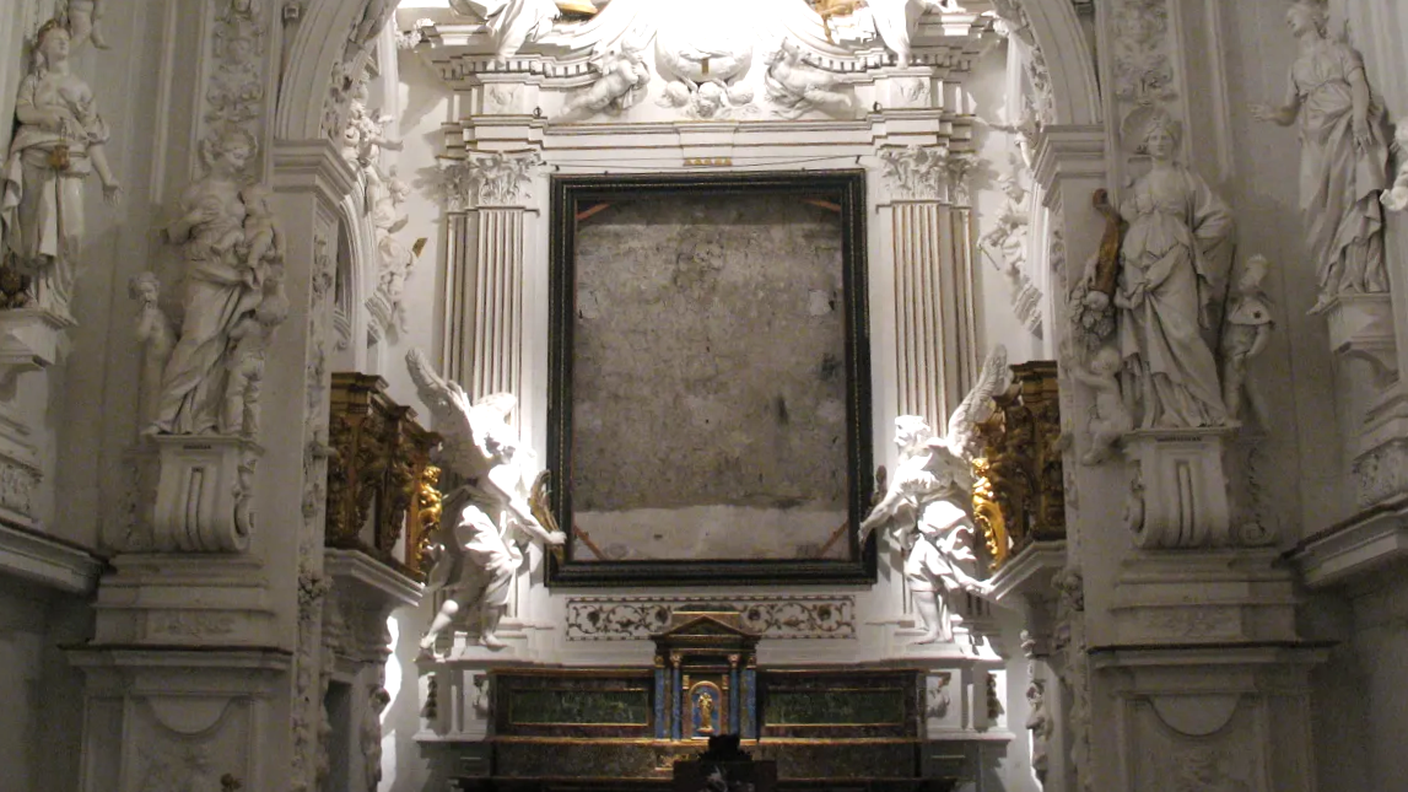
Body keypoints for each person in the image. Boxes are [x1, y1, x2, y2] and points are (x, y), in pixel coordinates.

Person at [1249, 0, 1389, 314]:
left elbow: (1358, 84)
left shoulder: (1341, 51)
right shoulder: (1296, 67)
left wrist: (1358, 118)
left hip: (1343, 126)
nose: (1288, 20)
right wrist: (1273, 114)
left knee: (1348, 196)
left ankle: (1353, 275)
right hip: (1314, 138)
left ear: (1314, 15)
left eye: (1294, 13)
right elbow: (1289, 112)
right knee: (1313, 204)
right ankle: (1330, 276)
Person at [1114, 110, 1233, 429]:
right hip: (1141, 269)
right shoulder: (1139, 185)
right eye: (1154, 138)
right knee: (1152, 338)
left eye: (1165, 137)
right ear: (1145, 144)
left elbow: (1221, 216)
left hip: (1177, 265)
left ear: (1174, 142)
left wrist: (1192, 247)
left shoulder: (1186, 178)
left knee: (1185, 333)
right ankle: (1171, 409)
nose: (1160, 143)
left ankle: (1209, 406)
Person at [1, 19, 122, 320]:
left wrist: (107, 177)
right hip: (35, 156)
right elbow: (22, 110)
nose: (63, 42)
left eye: (66, 38)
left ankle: (57, 298)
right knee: (34, 228)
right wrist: (45, 117)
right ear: (43, 47)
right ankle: (32, 294)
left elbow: (93, 136)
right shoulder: (34, 81)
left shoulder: (80, 87)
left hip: (71, 162)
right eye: (56, 39)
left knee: (72, 231)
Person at [152, 125, 265, 435]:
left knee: (219, 347)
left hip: (233, 275)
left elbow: (259, 228)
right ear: (218, 152)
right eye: (235, 154)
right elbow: (173, 235)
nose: (240, 163)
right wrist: (192, 219)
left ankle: (201, 419)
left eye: (244, 157)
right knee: (195, 338)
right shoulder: (195, 191)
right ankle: (165, 414)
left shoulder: (244, 194)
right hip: (203, 270)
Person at [1220, 255, 1275, 425]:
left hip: (1240, 354)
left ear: (1257, 286)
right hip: (1231, 353)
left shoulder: (1257, 309)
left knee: (1234, 388)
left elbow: (1263, 333)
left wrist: (1251, 353)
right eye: (1244, 275)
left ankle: (1234, 417)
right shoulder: (1237, 305)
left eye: (1249, 277)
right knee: (1236, 387)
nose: (1243, 279)